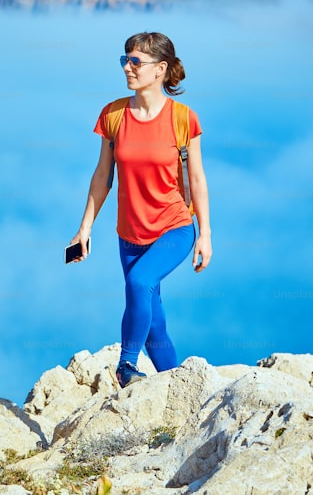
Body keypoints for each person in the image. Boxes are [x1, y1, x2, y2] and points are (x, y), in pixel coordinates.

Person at [68, 31, 212, 388]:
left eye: (136, 62)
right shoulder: (114, 115)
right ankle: (178, 388)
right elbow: (103, 176)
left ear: (160, 69)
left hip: (174, 228)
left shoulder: (183, 118)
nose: (127, 68)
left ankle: (126, 366)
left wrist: (205, 235)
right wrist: (84, 228)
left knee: (139, 282)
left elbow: (196, 178)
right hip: (129, 234)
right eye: (125, 60)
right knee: (154, 323)